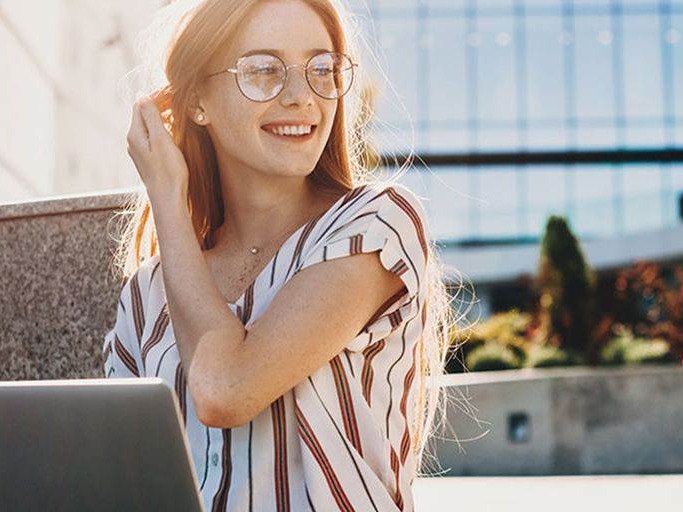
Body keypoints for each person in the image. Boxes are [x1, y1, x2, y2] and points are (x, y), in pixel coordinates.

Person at [100, 1, 456, 510]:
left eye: (321, 70)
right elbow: (120, 473)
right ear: (197, 99)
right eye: (264, 70)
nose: (300, 97)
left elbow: (225, 389)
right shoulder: (147, 293)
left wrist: (168, 204)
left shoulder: (376, 224)